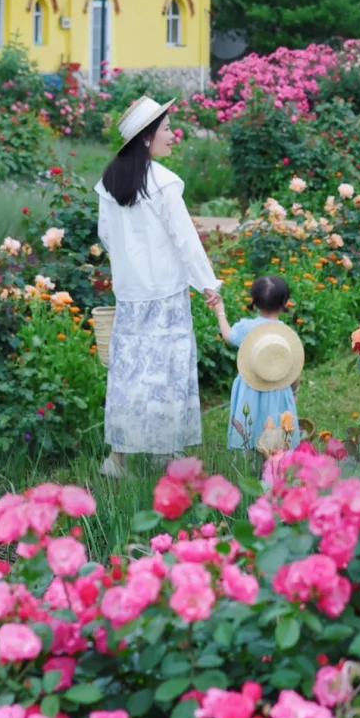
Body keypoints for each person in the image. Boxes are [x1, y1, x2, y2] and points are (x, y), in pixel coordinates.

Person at [95, 95, 220, 477]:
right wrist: (207, 283)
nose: (173, 135)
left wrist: (129, 271)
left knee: (129, 373)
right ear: (147, 138)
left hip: (132, 296)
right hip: (165, 295)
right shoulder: (163, 183)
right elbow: (185, 239)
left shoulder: (109, 183)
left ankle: (118, 458)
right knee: (166, 371)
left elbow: (106, 237)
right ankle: (165, 455)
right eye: (167, 129)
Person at [211, 276, 302, 451]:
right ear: (285, 302)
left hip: (250, 387)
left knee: (250, 421)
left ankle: (250, 460)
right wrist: (295, 391)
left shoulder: (246, 328)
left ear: (254, 301)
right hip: (278, 388)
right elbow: (295, 369)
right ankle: (275, 461)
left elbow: (228, 336)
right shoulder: (286, 334)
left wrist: (220, 311)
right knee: (277, 428)